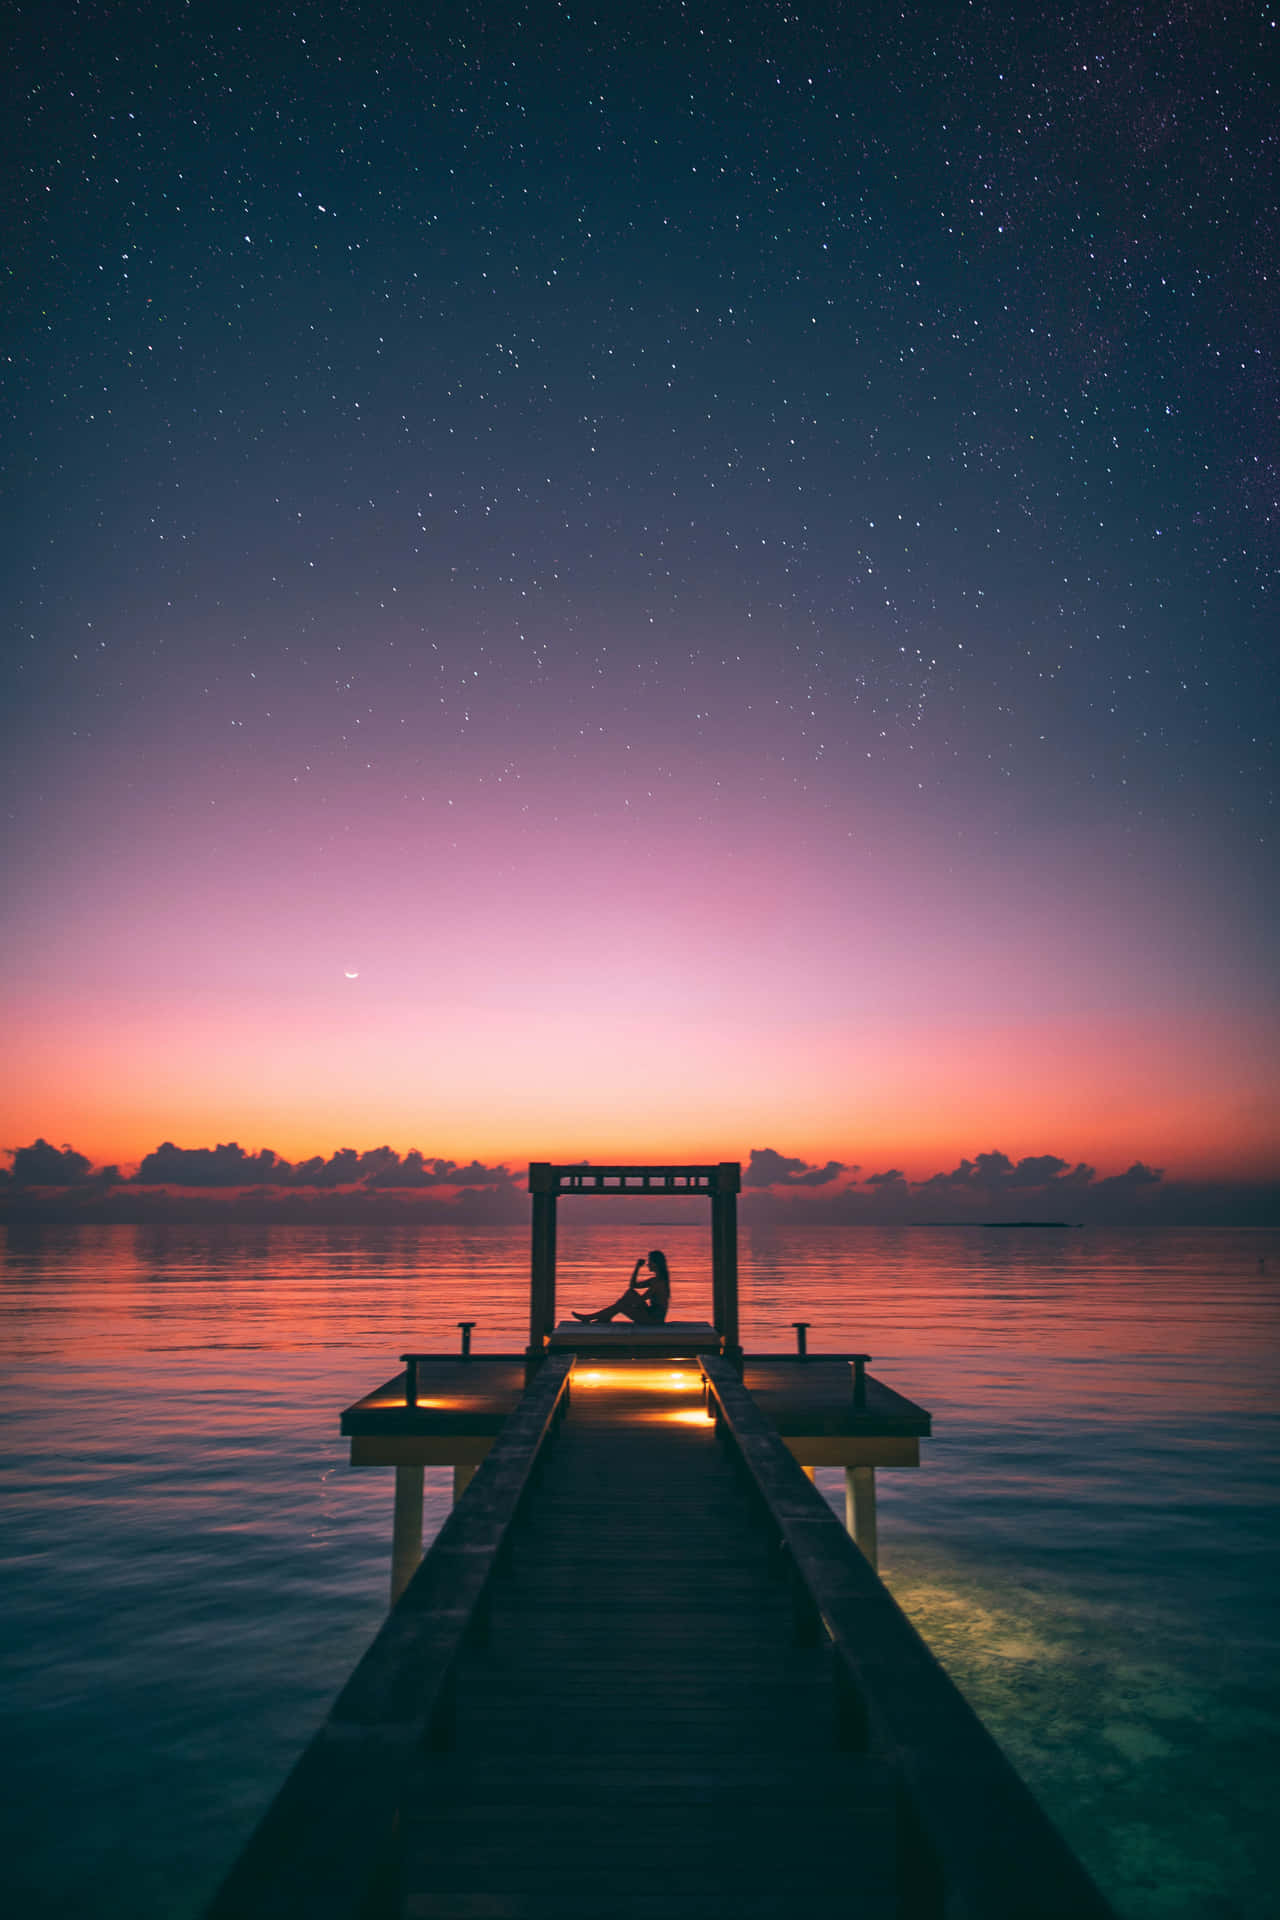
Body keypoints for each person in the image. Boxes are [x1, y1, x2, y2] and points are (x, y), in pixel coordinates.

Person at [572, 1249, 671, 1324]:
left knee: (623, 1303)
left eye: (650, 1262)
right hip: (650, 1313)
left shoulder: (659, 1282)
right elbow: (633, 1285)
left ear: (656, 1264)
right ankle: (604, 1317)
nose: (648, 1264)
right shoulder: (655, 1280)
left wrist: (624, 1304)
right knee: (630, 1293)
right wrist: (637, 1267)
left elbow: (641, 1299)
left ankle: (592, 1317)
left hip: (655, 1320)